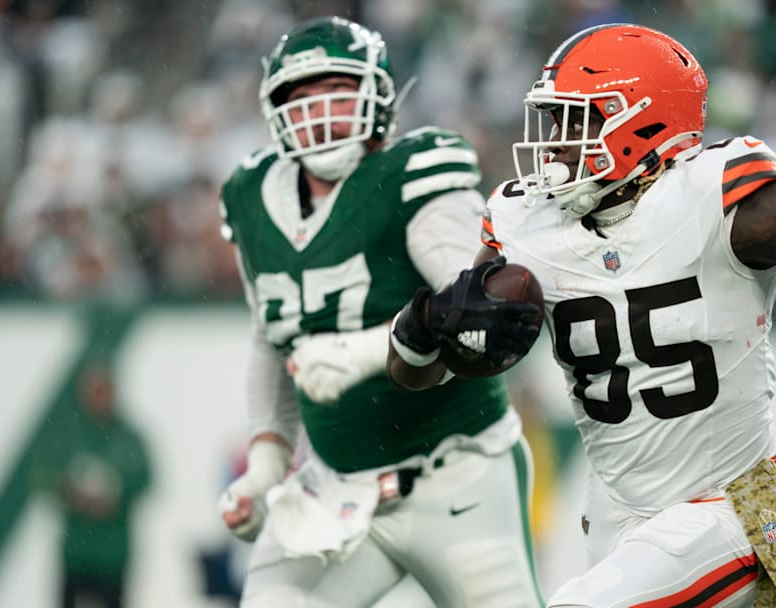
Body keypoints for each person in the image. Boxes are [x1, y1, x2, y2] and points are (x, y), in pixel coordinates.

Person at [387, 23, 776, 607]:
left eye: (578, 120)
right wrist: (424, 323)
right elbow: (420, 371)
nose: (556, 142)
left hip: (733, 503)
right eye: (554, 120)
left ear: (645, 122)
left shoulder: (716, 201)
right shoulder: (526, 226)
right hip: (616, 510)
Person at [216, 16, 542, 608]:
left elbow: (477, 307)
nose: (318, 112)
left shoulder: (418, 171)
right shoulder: (249, 193)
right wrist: (266, 464)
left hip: (456, 476)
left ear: (377, 98)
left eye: (336, 93)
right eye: (302, 97)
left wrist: (362, 351)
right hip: (332, 490)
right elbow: (271, 338)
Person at [31, 362, 153, 608]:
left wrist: (116, 494)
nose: (98, 398)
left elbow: (145, 478)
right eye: (92, 390)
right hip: (75, 553)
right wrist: (70, 493)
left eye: (103, 390)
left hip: (113, 555)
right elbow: (40, 477)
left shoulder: (127, 437)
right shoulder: (68, 435)